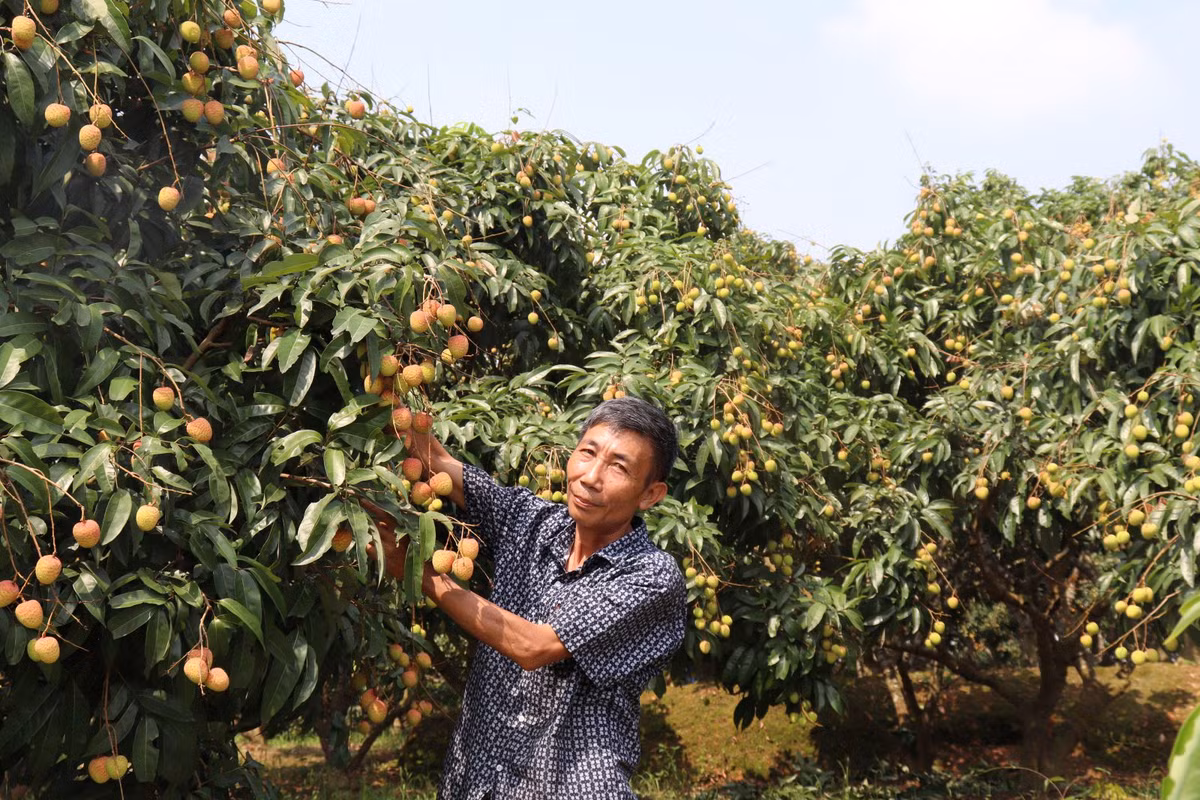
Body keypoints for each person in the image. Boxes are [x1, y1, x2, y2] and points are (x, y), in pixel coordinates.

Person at [370, 396, 686, 799]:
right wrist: (390, 387)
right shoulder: (531, 521)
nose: (591, 477)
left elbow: (532, 646)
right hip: (477, 782)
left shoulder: (651, 576)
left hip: (570, 788)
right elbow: (436, 462)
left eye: (618, 467)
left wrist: (420, 573)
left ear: (650, 494)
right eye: (587, 453)